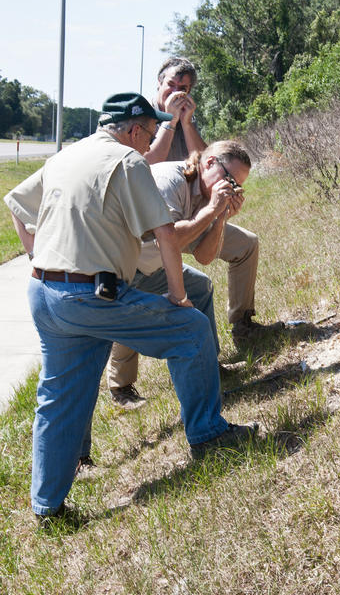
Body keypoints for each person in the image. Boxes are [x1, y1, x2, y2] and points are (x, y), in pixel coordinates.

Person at [4, 92, 256, 521]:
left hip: (45, 293)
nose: (157, 138)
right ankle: (209, 434)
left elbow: (15, 202)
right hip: (91, 296)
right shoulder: (129, 162)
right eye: (153, 129)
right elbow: (164, 234)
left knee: (59, 396)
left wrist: (36, 256)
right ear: (134, 129)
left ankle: (47, 508)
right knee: (192, 329)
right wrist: (178, 298)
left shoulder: (69, 154)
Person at [142, 56, 284, 351]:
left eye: (184, 87)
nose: (177, 92)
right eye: (171, 85)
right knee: (139, 279)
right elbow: (142, 168)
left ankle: (243, 325)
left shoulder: (185, 119)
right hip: (149, 223)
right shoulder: (141, 117)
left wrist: (187, 122)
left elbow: (205, 160)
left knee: (246, 244)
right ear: (159, 82)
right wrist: (168, 122)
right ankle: (122, 383)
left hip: (192, 213)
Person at [107, 141, 252, 408]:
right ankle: (120, 387)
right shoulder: (169, 180)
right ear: (209, 163)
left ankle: (210, 365)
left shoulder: (207, 192)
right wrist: (212, 210)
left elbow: (204, 256)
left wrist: (222, 215)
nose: (230, 188)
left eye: (237, 186)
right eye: (229, 179)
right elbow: (168, 238)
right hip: (122, 265)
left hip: (154, 263)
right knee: (129, 318)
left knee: (200, 286)